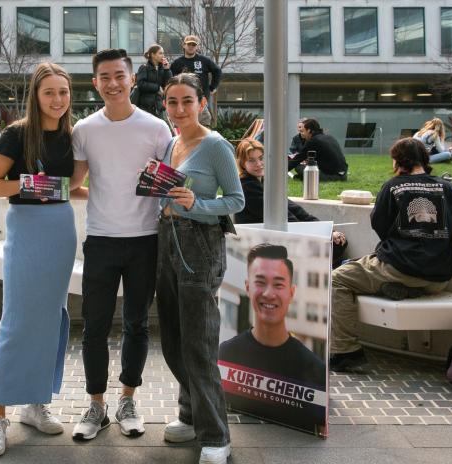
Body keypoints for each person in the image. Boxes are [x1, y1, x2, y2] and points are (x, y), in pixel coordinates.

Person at [69, 48, 172, 442]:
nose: (112, 83)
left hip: (145, 241)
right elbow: (74, 185)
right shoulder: (84, 129)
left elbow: (169, 182)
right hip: (101, 240)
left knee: (136, 325)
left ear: (132, 79)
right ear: (95, 83)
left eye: (119, 76)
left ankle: (128, 399)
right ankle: (96, 405)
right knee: (94, 327)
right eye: (104, 77)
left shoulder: (156, 128)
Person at [0, 62, 79, 457]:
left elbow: (75, 187)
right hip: (27, 230)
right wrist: (30, 183)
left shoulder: (74, 135)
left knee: (52, 318)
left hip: (61, 231)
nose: (58, 99)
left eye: (64, 92)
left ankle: (35, 404)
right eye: (49, 92)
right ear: (36, 96)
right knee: (17, 322)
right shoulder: (17, 134)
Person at [329, 138, 452, 371]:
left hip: (399, 267)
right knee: (382, 272)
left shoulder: (393, 186)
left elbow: (379, 225)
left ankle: (345, 351)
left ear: (397, 161)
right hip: (439, 277)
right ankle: (410, 290)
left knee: (337, 278)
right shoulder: (446, 187)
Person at [156, 72, 243, 464]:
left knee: (199, 344)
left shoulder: (216, 146)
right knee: (173, 339)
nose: (179, 109)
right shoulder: (172, 142)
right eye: (172, 102)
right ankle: (190, 415)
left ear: (202, 103)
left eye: (187, 101)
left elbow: (237, 200)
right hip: (167, 241)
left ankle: (215, 436)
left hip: (201, 245)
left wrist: (198, 205)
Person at [219, 244, 326, 432]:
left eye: (278, 284)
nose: (269, 294)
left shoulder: (315, 370)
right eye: (260, 282)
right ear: (248, 287)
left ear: (291, 293)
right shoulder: (224, 356)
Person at [235, 139, 347, 267]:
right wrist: (322, 235)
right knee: (334, 246)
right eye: (251, 160)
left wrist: (328, 230)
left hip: (279, 238)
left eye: (261, 158)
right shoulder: (247, 187)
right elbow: (285, 218)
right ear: (243, 164)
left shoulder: (264, 182)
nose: (259, 163)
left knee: (338, 242)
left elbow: (295, 210)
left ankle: (333, 270)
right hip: (264, 245)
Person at [171, 35, 221, 126]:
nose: (191, 47)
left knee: (204, 122)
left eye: (193, 45)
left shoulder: (204, 60)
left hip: (200, 99)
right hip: (183, 100)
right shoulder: (177, 63)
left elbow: (217, 71)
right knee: (183, 123)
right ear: (184, 45)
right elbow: (171, 79)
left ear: (197, 47)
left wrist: (213, 87)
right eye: (189, 44)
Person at [135, 44, 173, 119]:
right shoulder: (144, 68)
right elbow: (141, 84)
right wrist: (157, 88)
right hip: (145, 106)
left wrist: (167, 70)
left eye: (163, 53)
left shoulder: (162, 69)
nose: (163, 56)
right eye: (160, 53)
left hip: (158, 106)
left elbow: (169, 83)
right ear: (153, 55)